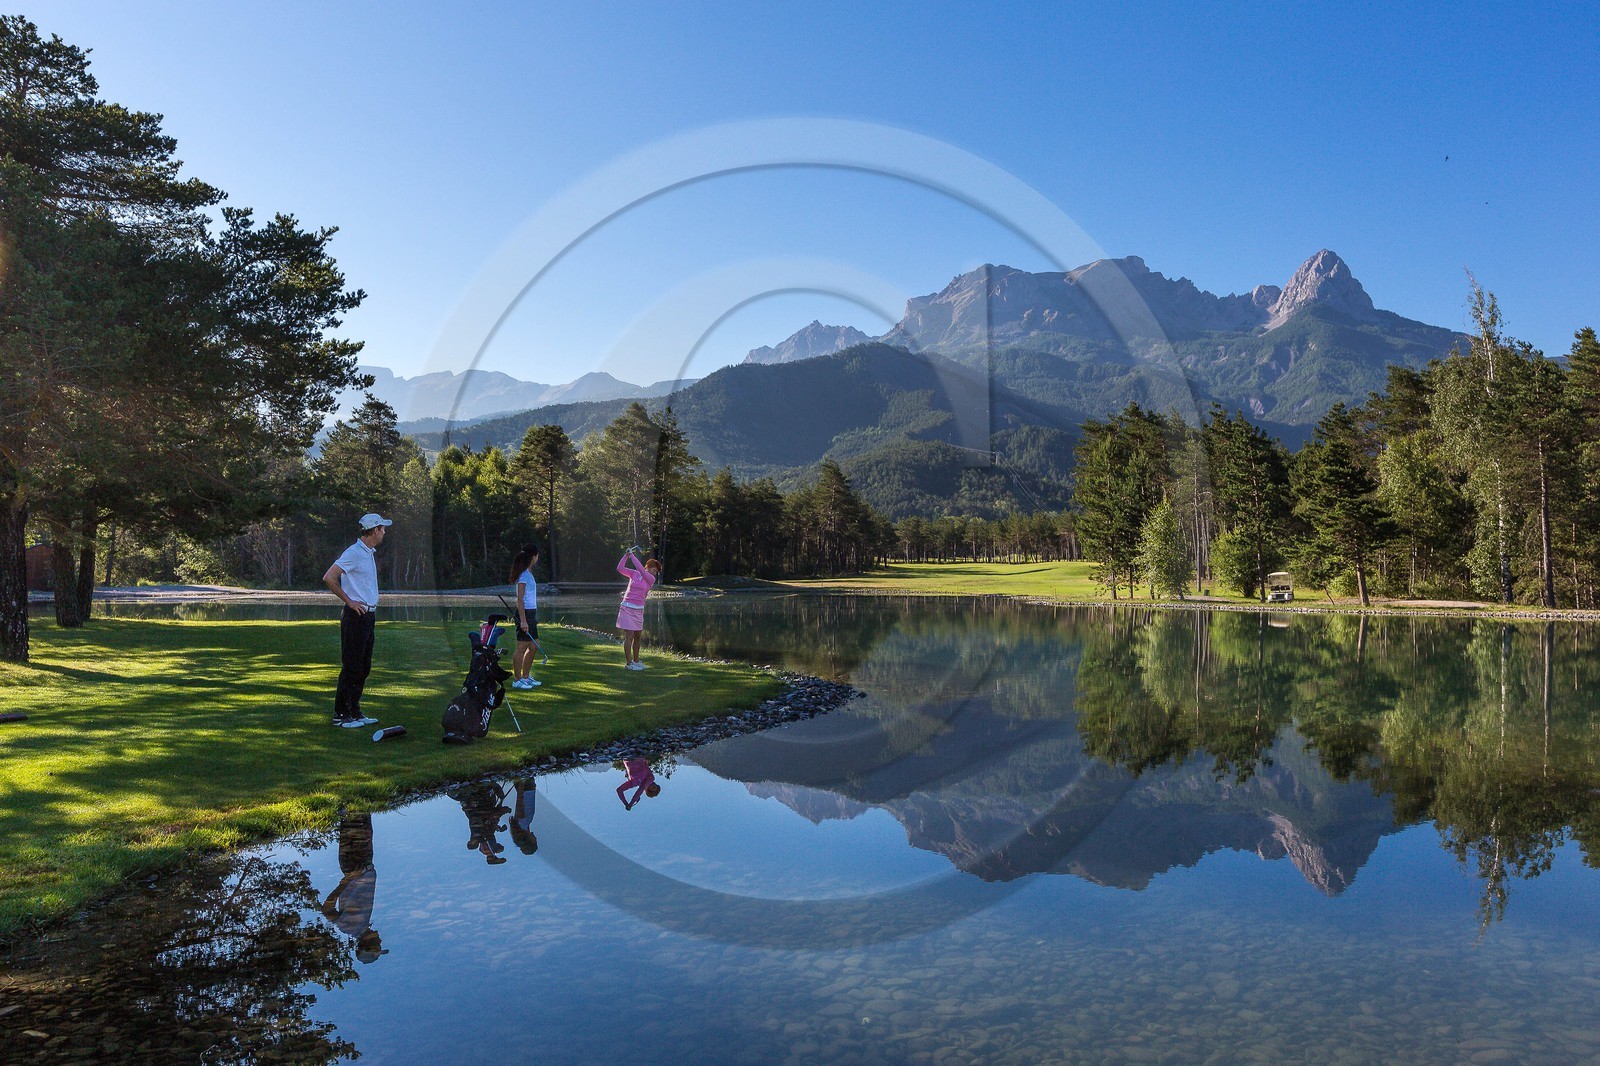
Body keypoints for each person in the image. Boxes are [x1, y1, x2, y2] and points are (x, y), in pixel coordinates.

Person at [323, 513, 392, 728]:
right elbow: (329, 577)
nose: (384, 532)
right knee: (352, 666)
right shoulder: (354, 552)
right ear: (373, 531)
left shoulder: (368, 552)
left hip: (368, 616)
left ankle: (354, 711)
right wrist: (350, 601)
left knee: (363, 667)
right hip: (356, 615)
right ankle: (341, 715)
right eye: (382, 528)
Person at [321, 812, 388, 963]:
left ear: (368, 945)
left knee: (354, 823)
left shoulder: (350, 928)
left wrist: (345, 881)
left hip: (355, 866)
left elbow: (327, 909)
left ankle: (349, 803)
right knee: (363, 818)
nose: (381, 941)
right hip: (363, 866)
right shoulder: (362, 926)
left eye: (378, 945)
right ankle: (356, 801)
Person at [615, 548, 661, 670]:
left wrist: (632, 556)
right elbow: (620, 568)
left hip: (639, 609)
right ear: (649, 567)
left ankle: (636, 661)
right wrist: (626, 556)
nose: (654, 573)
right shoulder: (633, 573)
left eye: (656, 572)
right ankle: (629, 664)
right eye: (654, 570)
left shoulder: (650, 579)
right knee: (629, 636)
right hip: (627, 607)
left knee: (638, 636)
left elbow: (641, 569)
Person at [508, 545, 545, 691]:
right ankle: (517, 680)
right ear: (533, 557)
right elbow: (520, 600)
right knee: (521, 647)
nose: (537, 558)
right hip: (525, 614)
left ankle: (526, 676)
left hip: (531, 614)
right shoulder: (523, 575)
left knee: (533, 646)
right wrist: (523, 620)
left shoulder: (528, 573)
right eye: (537, 556)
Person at [507, 777, 538, 855]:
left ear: (530, 841)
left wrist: (521, 784)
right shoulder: (523, 826)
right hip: (526, 788)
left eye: (535, 841)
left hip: (526, 787)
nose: (536, 838)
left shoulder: (523, 823)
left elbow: (519, 803)